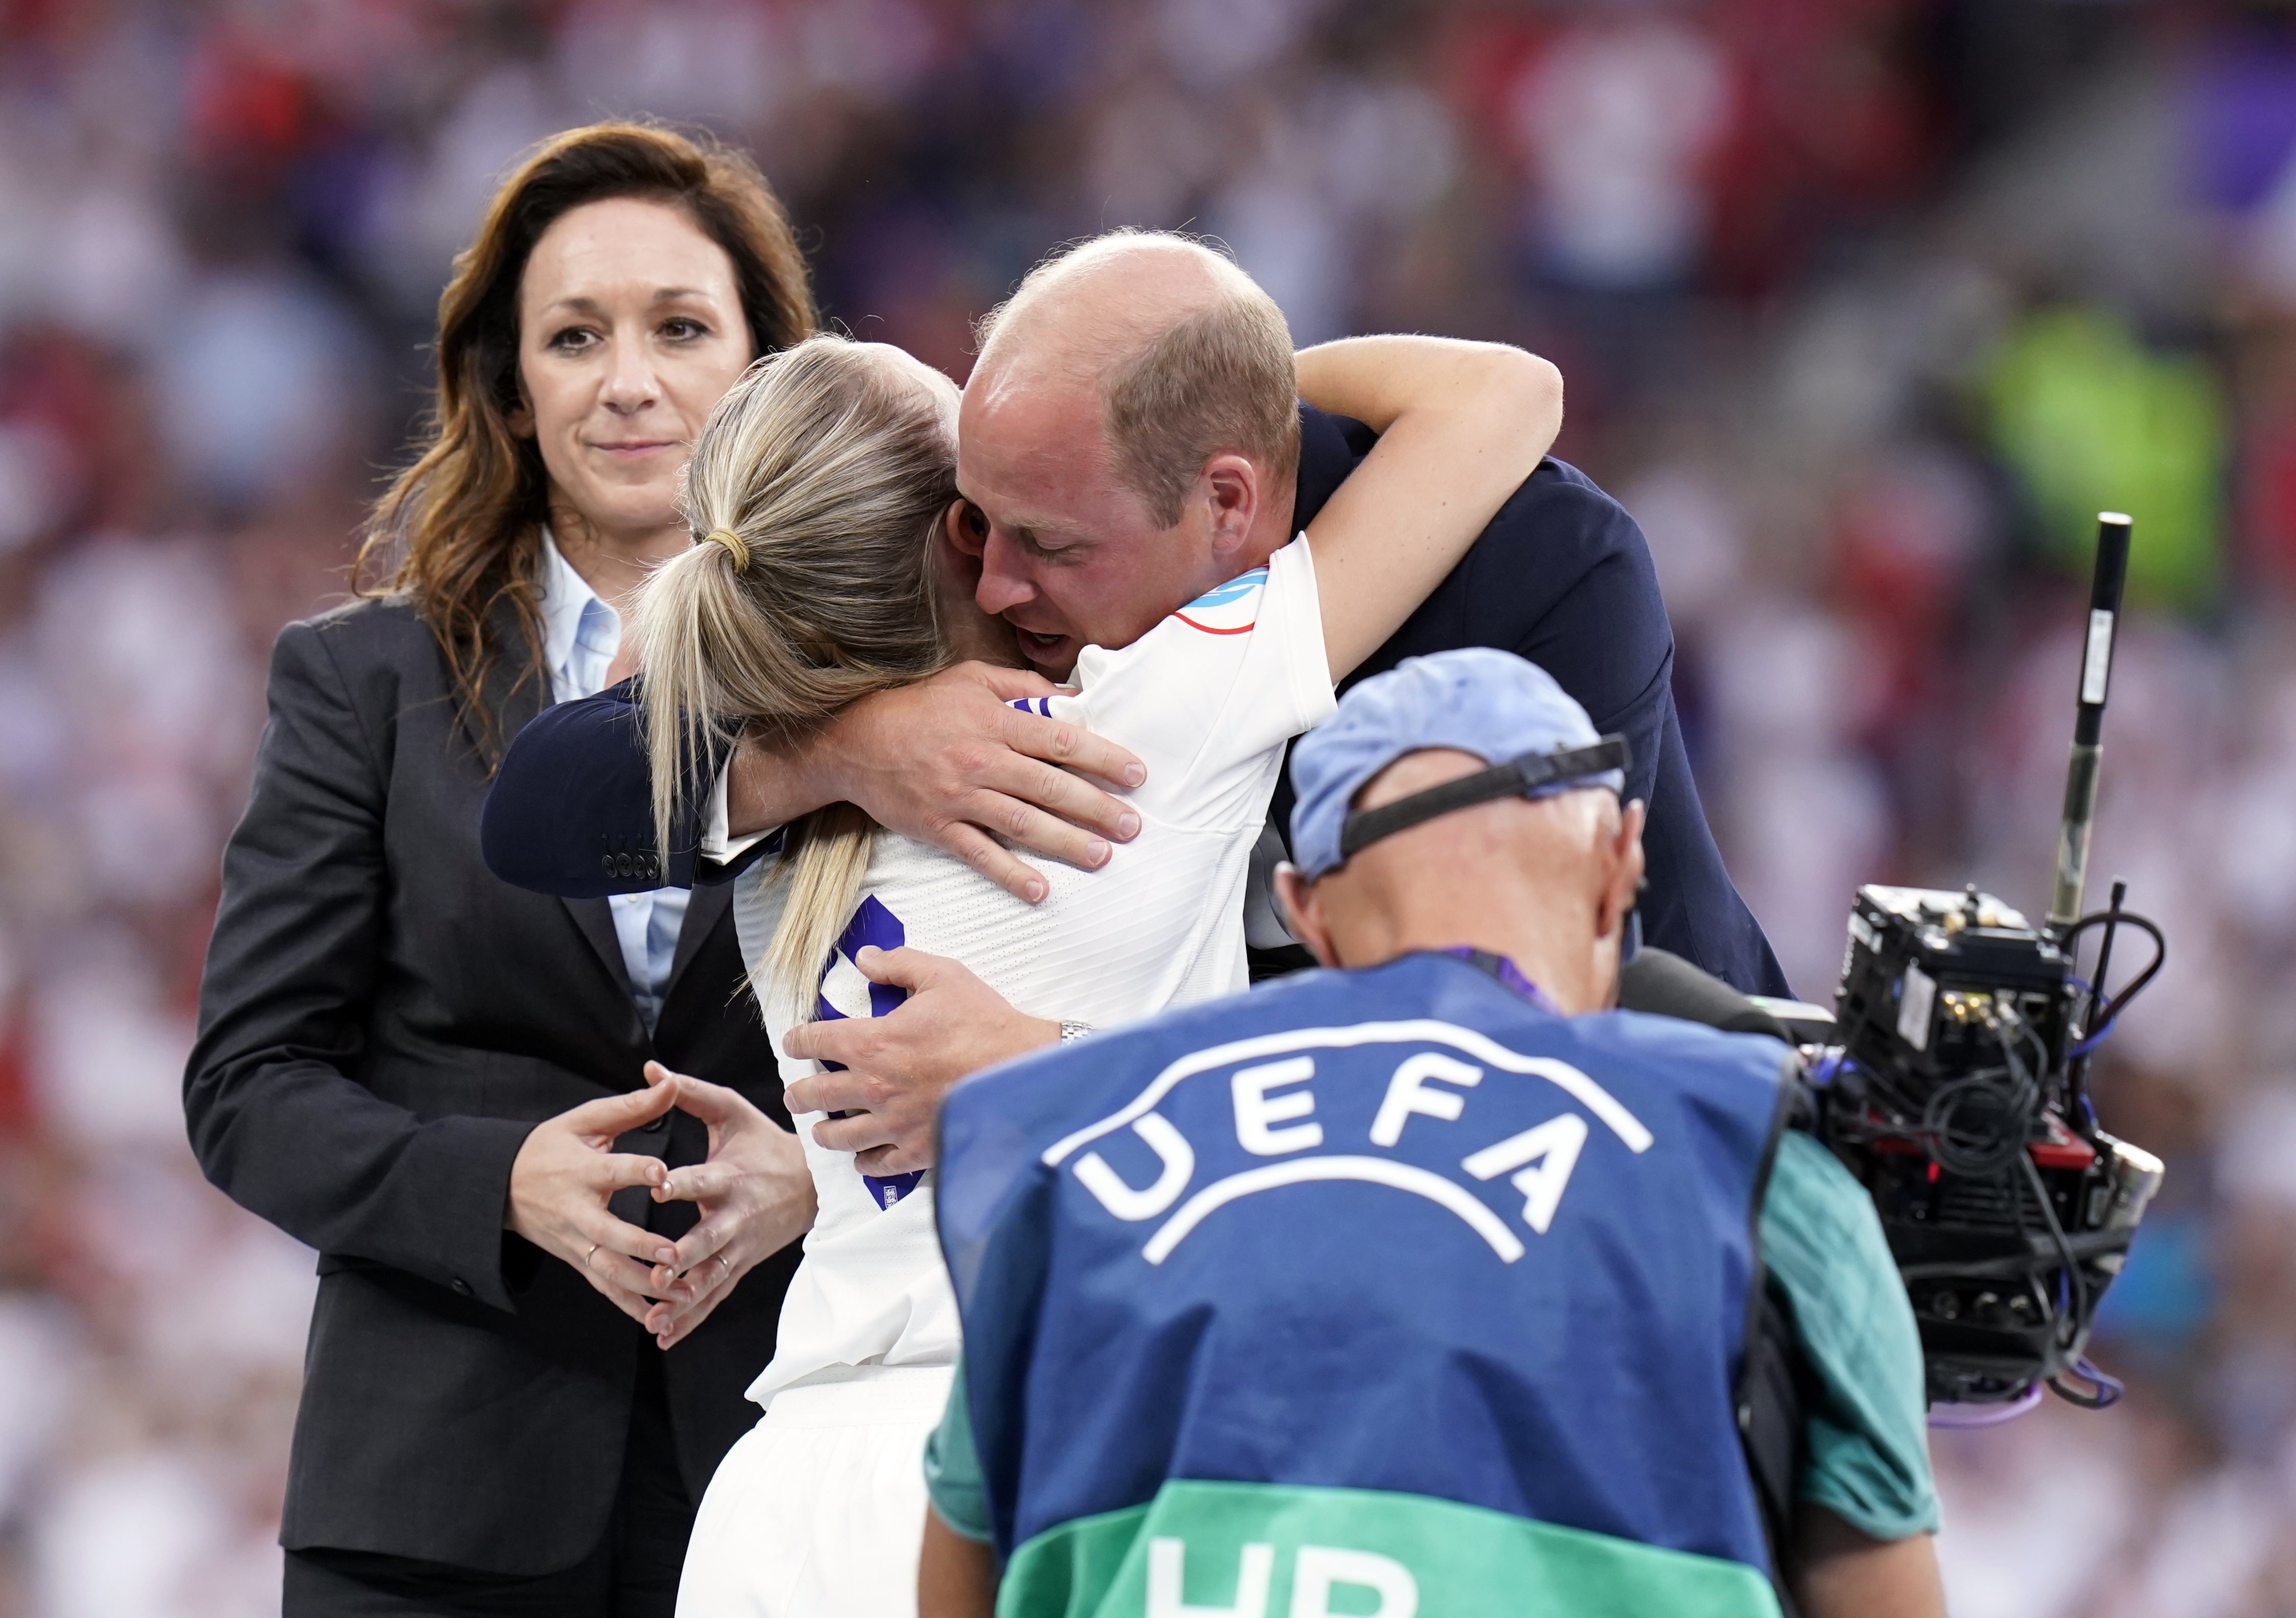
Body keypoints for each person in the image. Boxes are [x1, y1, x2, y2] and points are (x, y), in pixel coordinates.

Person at [614, 262, 1562, 1611]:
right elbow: (1501, 397)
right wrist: (1209, 391)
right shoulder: (1141, 716)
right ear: (949, 543)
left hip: (778, 1494)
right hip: (1041, 1452)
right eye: (976, 501)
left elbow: (634, 723)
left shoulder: (758, 809)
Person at [479, 227, 1788, 1182]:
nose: (995, 581)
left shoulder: (1527, 569)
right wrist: (853, 747)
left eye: (1044, 541)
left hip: (1650, 1166)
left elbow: (1505, 1033)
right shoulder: (995, 654)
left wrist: (1053, 1070)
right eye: (972, 525)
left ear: (1226, 500)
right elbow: (547, 805)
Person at [916, 649, 1946, 1618]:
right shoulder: (1746, 1142)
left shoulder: (1074, 1134)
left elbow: (961, 1568)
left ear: (1305, 911)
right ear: (1624, 857)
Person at [184, 124, 818, 1616]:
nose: (628, 381)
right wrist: (499, 1184)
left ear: (764, 374)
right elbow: (248, 1086)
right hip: (427, 1512)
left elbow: (981, 1058)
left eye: (679, 329)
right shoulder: (364, 680)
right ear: (510, 389)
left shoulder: (887, 693)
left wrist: (827, 1185)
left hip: (781, 1485)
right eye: (574, 336)